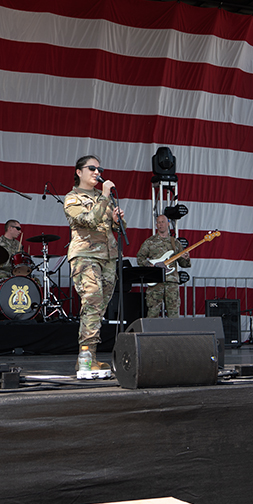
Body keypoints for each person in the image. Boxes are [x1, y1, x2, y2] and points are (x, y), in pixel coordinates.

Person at [64, 155, 122, 375]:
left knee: (99, 308)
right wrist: (106, 196)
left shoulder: (102, 197)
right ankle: (85, 356)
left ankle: (91, 357)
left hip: (108, 257)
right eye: (92, 168)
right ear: (79, 172)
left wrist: (118, 220)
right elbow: (88, 220)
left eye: (99, 168)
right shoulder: (72, 197)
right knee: (92, 300)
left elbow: (117, 227)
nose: (97, 172)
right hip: (86, 255)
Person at [136, 215, 190, 318]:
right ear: (156, 225)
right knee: (153, 312)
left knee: (173, 312)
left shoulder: (175, 243)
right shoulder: (150, 242)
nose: (161, 224)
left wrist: (186, 258)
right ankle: (151, 334)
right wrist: (149, 265)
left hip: (171, 282)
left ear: (168, 223)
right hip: (155, 282)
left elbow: (183, 264)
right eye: (159, 222)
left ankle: (174, 333)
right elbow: (140, 258)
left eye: (163, 222)